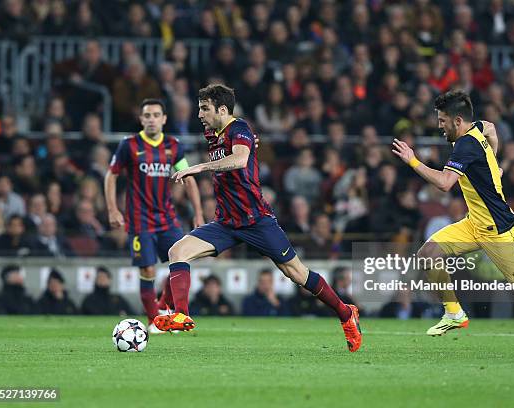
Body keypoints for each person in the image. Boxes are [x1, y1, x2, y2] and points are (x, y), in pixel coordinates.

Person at [154, 84, 362, 352]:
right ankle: (181, 314)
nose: (200, 115)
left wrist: (199, 167)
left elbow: (240, 160)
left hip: (256, 220)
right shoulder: (212, 132)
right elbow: (241, 150)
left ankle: (346, 313)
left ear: (222, 109)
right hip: (227, 222)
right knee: (178, 251)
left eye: (204, 109)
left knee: (297, 274)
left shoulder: (239, 128)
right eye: (199, 109)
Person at [391, 90, 514, 356]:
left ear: (458, 121)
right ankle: (454, 312)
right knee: (428, 254)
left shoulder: (465, 145)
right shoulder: (477, 127)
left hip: (498, 229)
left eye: (442, 121)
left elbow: (445, 183)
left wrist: (412, 160)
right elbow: (492, 129)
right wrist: (493, 165)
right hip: (474, 223)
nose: (439, 125)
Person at [104, 99, 204, 333]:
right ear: (141, 119)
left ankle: (162, 307)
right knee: (147, 270)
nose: (151, 119)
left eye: (156, 115)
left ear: (164, 119)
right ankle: (152, 322)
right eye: (147, 115)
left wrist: (198, 213)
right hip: (140, 220)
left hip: (167, 218)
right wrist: (112, 209)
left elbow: (188, 178)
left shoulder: (173, 146)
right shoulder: (129, 145)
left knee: (181, 259)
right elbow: (111, 175)